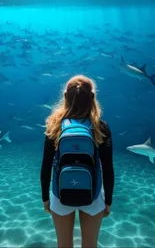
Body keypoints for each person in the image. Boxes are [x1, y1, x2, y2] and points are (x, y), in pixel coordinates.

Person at [40, 75, 114, 248]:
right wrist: (108, 201)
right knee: (90, 245)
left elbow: (45, 167)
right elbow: (108, 169)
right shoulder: (100, 127)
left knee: (63, 245)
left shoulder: (55, 126)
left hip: (60, 194)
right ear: (93, 98)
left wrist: (45, 198)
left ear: (65, 97)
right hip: (93, 195)